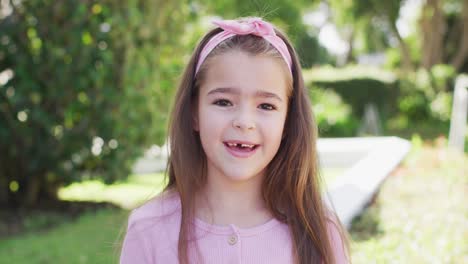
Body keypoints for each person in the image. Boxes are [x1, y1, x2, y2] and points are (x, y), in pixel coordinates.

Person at [120, 17, 349, 264]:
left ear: (287, 122)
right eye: (223, 102)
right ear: (194, 112)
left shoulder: (319, 232)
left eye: (266, 105)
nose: (244, 121)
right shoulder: (149, 228)